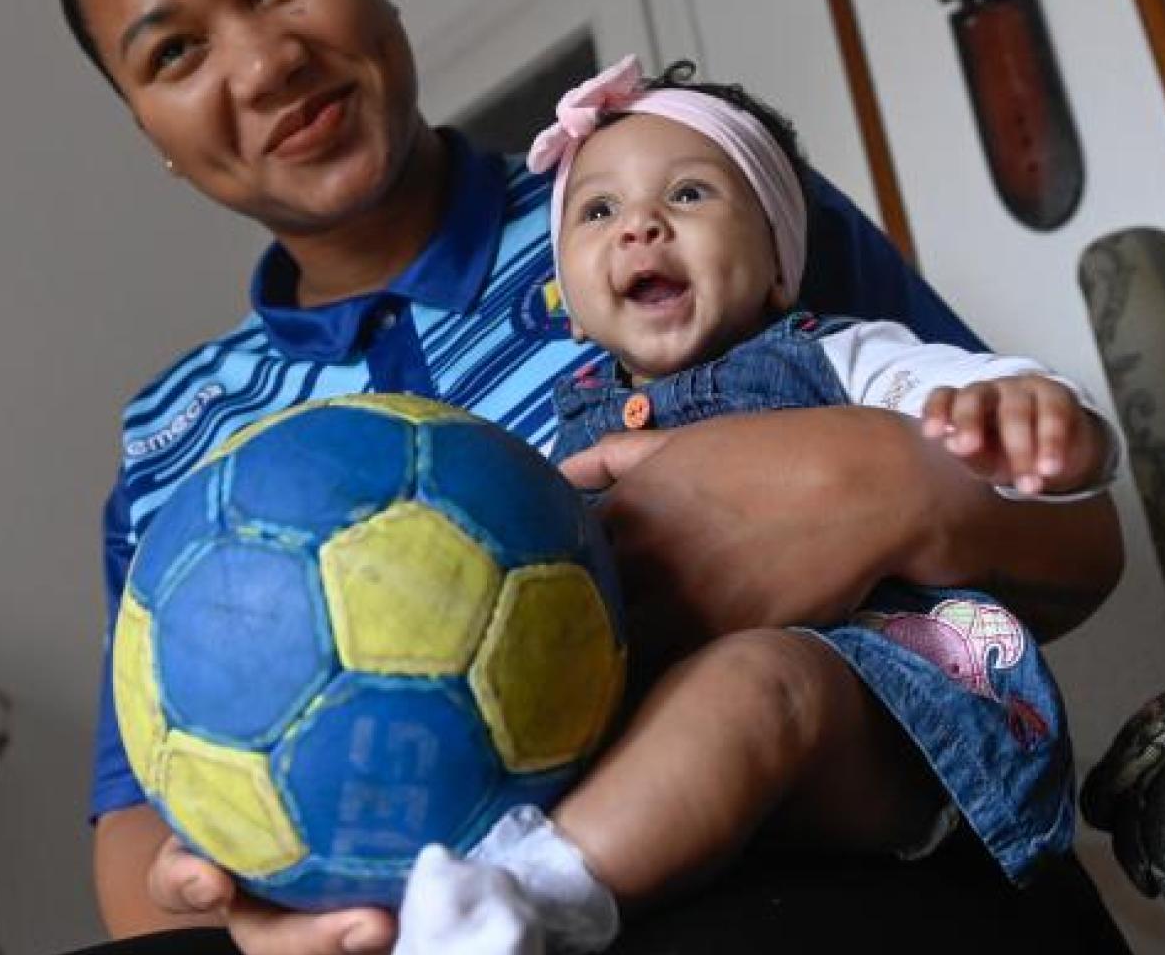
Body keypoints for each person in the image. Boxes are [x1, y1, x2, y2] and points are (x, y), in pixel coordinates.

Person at [43, 0, 1123, 955]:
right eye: (173, 53)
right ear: (148, 131)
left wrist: (890, 483)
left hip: (799, 856)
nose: (266, 63)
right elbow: (139, 854)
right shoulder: (175, 439)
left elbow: (1079, 539)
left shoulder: (682, 200)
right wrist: (248, 917)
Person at [386, 55, 1121, 952]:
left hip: (872, 708)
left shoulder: (841, 356)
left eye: (689, 195)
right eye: (598, 210)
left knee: (753, 680)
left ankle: (530, 900)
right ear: (570, 310)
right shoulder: (557, 444)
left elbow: (982, 402)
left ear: (780, 264)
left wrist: (1042, 420)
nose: (641, 226)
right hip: (676, 764)